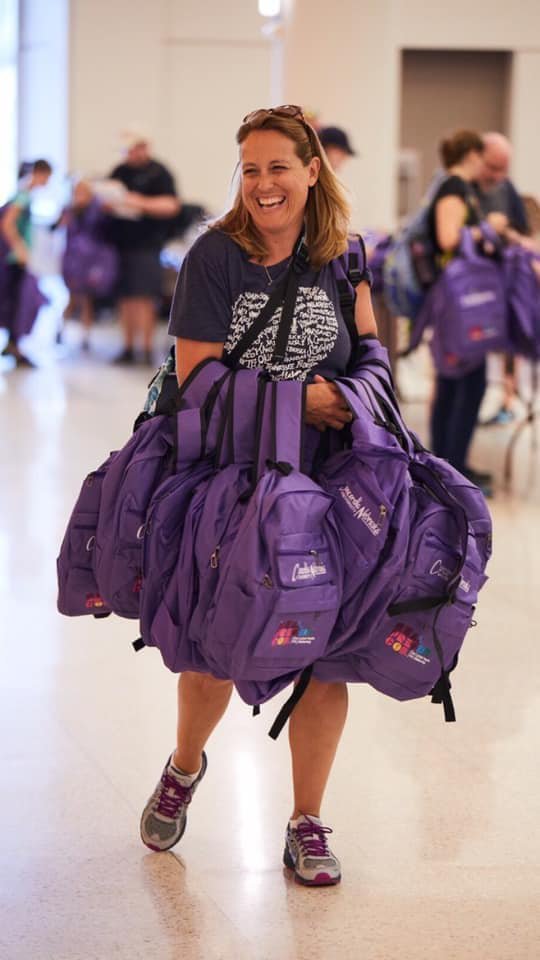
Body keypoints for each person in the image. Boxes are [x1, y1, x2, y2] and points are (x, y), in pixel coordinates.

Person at [139, 104, 377, 886]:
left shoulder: (347, 253)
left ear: (313, 171)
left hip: (328, 478)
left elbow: (372, 352)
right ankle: (184, 765)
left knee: (328, 656)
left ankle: (308, 822)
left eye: (280, 166)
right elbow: (197, 376)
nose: (264, 183)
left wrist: (354, 401)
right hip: (232, 475)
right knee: (214, 641)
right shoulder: (215, 256)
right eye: (251, 169)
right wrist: (295, 399)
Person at [427, 129, 505, 497]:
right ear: (472, 154)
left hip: (455, 300)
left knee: (453, 382)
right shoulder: (455, 187)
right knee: (464, 383)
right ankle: (451, 468)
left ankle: (446, 465)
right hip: (459, 301)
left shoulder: (452, 186)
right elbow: (448, 237)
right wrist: (488, 229)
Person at [107, 131, 180, 365]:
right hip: (121, 244)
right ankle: (127, 347)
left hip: (147, 245)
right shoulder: (120, 172)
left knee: (145, 298)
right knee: (126, 298)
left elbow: (171, 205)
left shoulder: (159, 172)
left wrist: (138, 202)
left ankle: (146, 349)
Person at [474, 132, 530, 426]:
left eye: (502, 169)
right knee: (461, 376)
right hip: (467, 295)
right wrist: (486, 228)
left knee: (509, 349)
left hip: (502, 287)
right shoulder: (461, 188)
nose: (497, 175)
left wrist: (508, 235)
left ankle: (508, 398)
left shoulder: (507, 190)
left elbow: (522, 233)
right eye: (492, 167)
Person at [0, 158, 52, 366]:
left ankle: (13, 343)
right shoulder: (23, 196)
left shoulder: (22, 194)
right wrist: (20, 249)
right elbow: (7, 223)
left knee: (16, 300)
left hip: (14, 258)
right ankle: (15, 345)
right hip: (15, 259)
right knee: (20, 301)